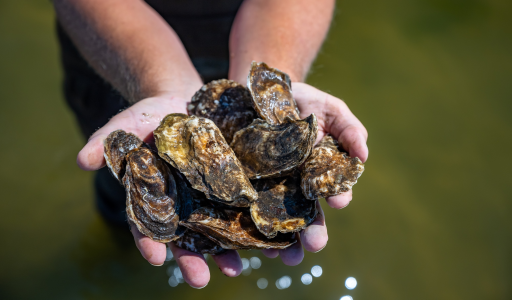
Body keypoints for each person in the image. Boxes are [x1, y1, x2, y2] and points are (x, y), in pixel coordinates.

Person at [53, 0, 368, 289]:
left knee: (149, 220)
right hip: (114, 47)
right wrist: (161, 84)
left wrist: (267, 91)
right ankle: (119, 246)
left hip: (259, 32)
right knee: (124, 194)